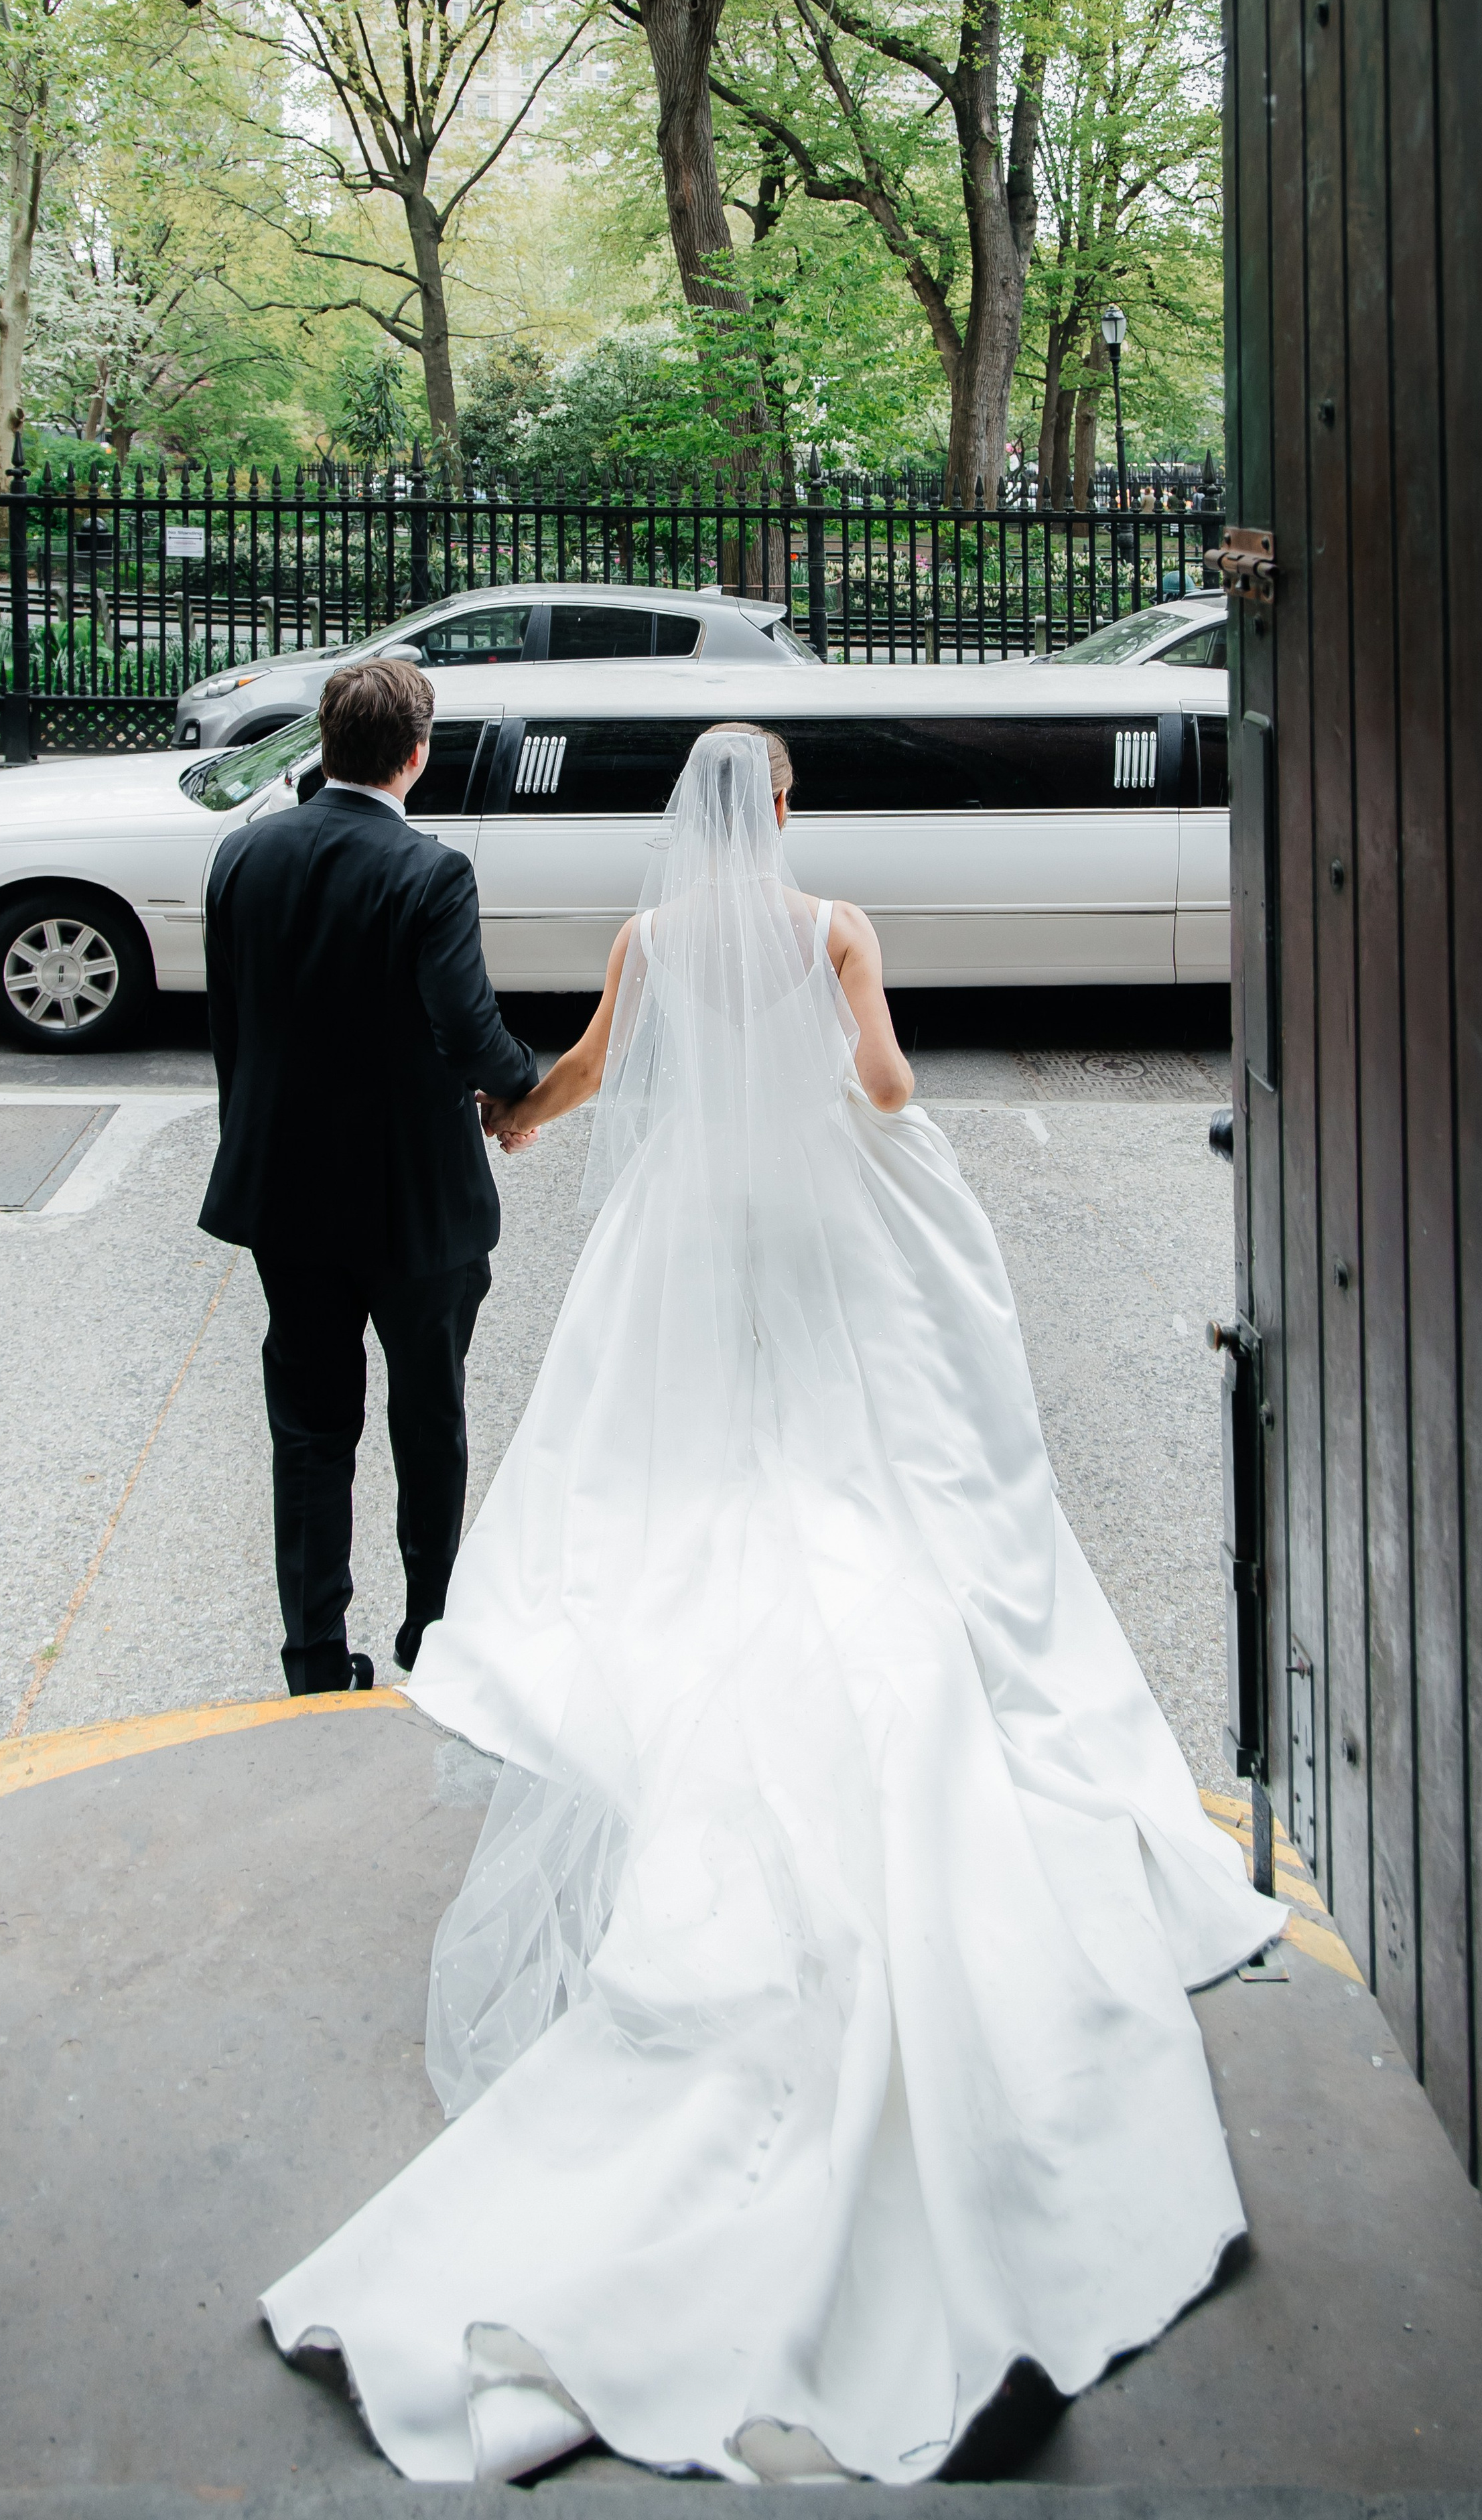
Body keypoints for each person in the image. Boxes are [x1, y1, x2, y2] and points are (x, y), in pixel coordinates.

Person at [261, 725, 1283, 2480]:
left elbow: (583, 1078)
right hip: (818, 1230)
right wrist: (850, 1075)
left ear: (688, 822)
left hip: (691, 1230)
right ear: (786, 808)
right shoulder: (831, 925)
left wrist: (500, 1109)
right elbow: (883, 1090)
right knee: (857, 1460)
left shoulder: (658, 942)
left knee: (693, 1464)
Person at [199, 656, 537, 1697]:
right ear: (417, 754)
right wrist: (518, 1089)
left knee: (309, 1426)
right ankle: (428, 1631)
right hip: (416, 1205)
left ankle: (311, 1657)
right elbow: (466, 1025)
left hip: (285, 1194)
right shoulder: (430, 872)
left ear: (324, 745)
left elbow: (234, 1026)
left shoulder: (241, 857)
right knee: (427, 1417)